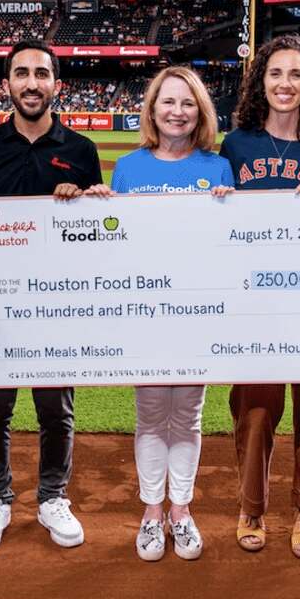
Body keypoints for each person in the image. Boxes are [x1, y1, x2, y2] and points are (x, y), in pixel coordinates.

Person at [0, 41, 104, 552]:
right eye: (21, 73)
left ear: (57, 83)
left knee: (56, 409)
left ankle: (53, 495)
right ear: (7, 83)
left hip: (58, 303)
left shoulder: (80, 151)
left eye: (41, 73)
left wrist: (84, 202)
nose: (31, 83)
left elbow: (98, 232)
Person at [85, 67, 234, 561]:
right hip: (145, 312)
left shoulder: (217, 168)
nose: (177, 111)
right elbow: (115, 244)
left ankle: (182, 509)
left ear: (200, 112)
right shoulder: (128, 167)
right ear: (151, 110)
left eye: (187, 103)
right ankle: (152, 511)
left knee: (188, 415)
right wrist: (98, 208)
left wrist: (228, 208)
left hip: (196, 311)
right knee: (150, 414)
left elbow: (231, 243)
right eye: (168, 102)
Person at [218, 35, 300, 559]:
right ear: (261, 81)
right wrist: (220, 200)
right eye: (276, 73)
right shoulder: (236, 146)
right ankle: (252, 505)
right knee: (253, 409)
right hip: (253, 302)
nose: (285, 84)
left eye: (296, 74)